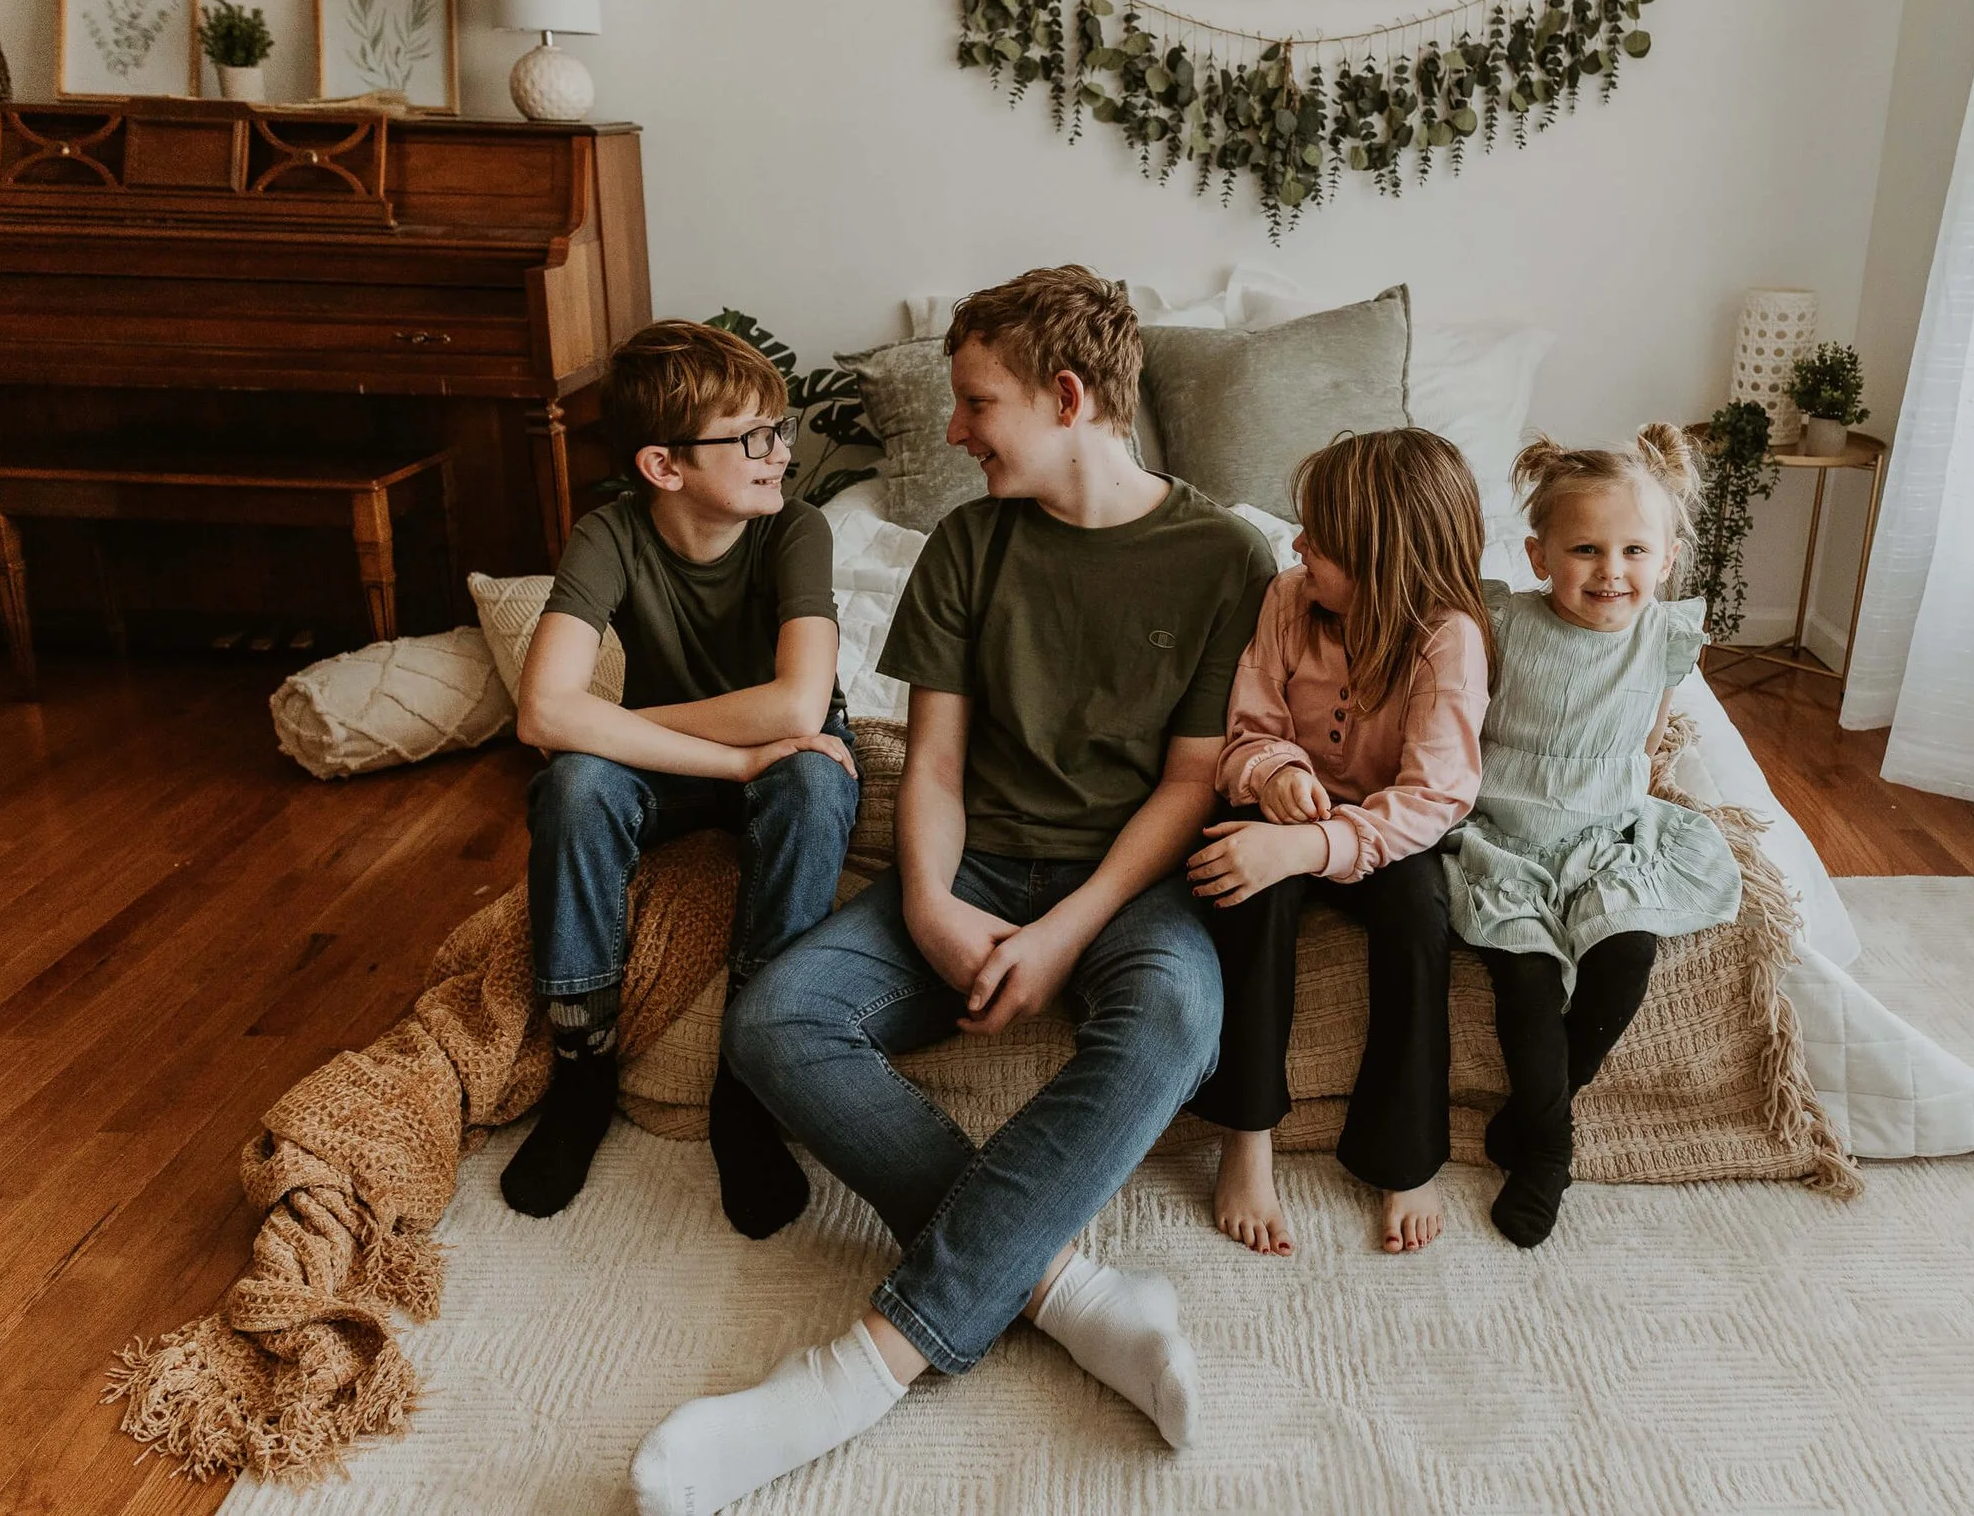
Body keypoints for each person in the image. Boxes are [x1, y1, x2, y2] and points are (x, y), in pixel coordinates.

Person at [629, 266, 1274, 1516]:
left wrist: (1064, 931)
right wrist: (930, 902)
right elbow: (928, 760)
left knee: (1180, 1017)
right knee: (773, 1020)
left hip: (1124, 891)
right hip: (974, 861)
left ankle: (861, 1365)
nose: (952, 430)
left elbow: (1190, 786)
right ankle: (1070, 1292)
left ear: (1069, 396)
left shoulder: (1224, 555)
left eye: (976, 402)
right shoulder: (970, 543)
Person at [503, 319, 859, 1238]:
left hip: (772, 757)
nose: (779, 453)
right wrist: (728, 757)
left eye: (779, 430)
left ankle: (748, 1084)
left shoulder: (798, 530)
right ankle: (582, 1070)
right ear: (665, 466)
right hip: (689, 762)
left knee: (813, 785)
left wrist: (616, 728)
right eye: (751, 438)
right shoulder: (609, 534)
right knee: (578, 787)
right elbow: (541, 712)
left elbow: (794, 709)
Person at [1183, 428, 1494, 1259]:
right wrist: (1275, 772)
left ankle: (1406, 1152)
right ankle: (1247, 1136)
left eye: (1317, 538)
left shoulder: (1447, 639)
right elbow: (1245, 731)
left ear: (1381, 557)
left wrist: (1315, 845)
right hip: (1293, 815)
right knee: (1244, 884)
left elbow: (1435, 796)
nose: (1296, 544)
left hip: (1384, 832)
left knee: (1422, 913)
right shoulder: (1288, 600)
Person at [1445, 427, 1744, 1249]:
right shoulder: (1503, 618)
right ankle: (1548, 1150)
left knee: (1625, 955)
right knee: (1529, 978)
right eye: (1586, 549)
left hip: (1604, 831)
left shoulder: (1663, 636)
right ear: (1540, 556)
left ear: (1668, 556)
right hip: (1507, 833)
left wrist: (1632, 811)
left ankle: (1542, 1104)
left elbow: (1646, 742)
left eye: (1633, 550)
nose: (1611, 571)